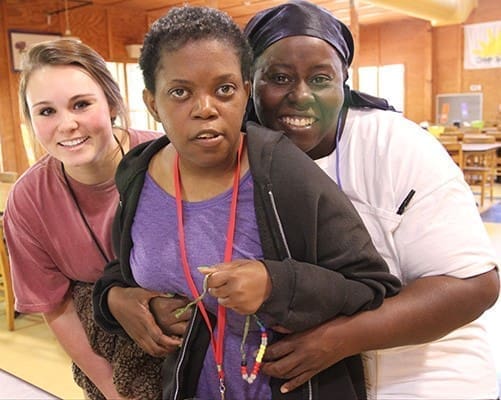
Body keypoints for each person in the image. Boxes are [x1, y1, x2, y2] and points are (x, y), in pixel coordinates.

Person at [92, 5, 401, 400]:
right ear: (153, 103)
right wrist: (118, 301)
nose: (206, 108)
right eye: (181, 92)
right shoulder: (138, 174)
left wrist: (276, 285)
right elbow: (118, 271)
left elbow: (371, 286)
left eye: (224, 90)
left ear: (244, 91)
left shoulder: (283, 172)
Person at [242, 1, 500, 399]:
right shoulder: (237, 152)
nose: (301, 95)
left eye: (321, 78)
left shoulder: (396, 145)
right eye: (279, 77)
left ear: (344, 84)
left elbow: (474, 285)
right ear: (249, 83)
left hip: (423, 361)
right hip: (306, 374)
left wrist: (343, 337)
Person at [3, 39, 164, 400]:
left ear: (111, 103)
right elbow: (56, 306)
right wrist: (113, 391)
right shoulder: (29, 202)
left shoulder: (165, 159)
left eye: (81, 104)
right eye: (46, 112)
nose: (67, 124)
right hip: (107, 346)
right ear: (30, 121)